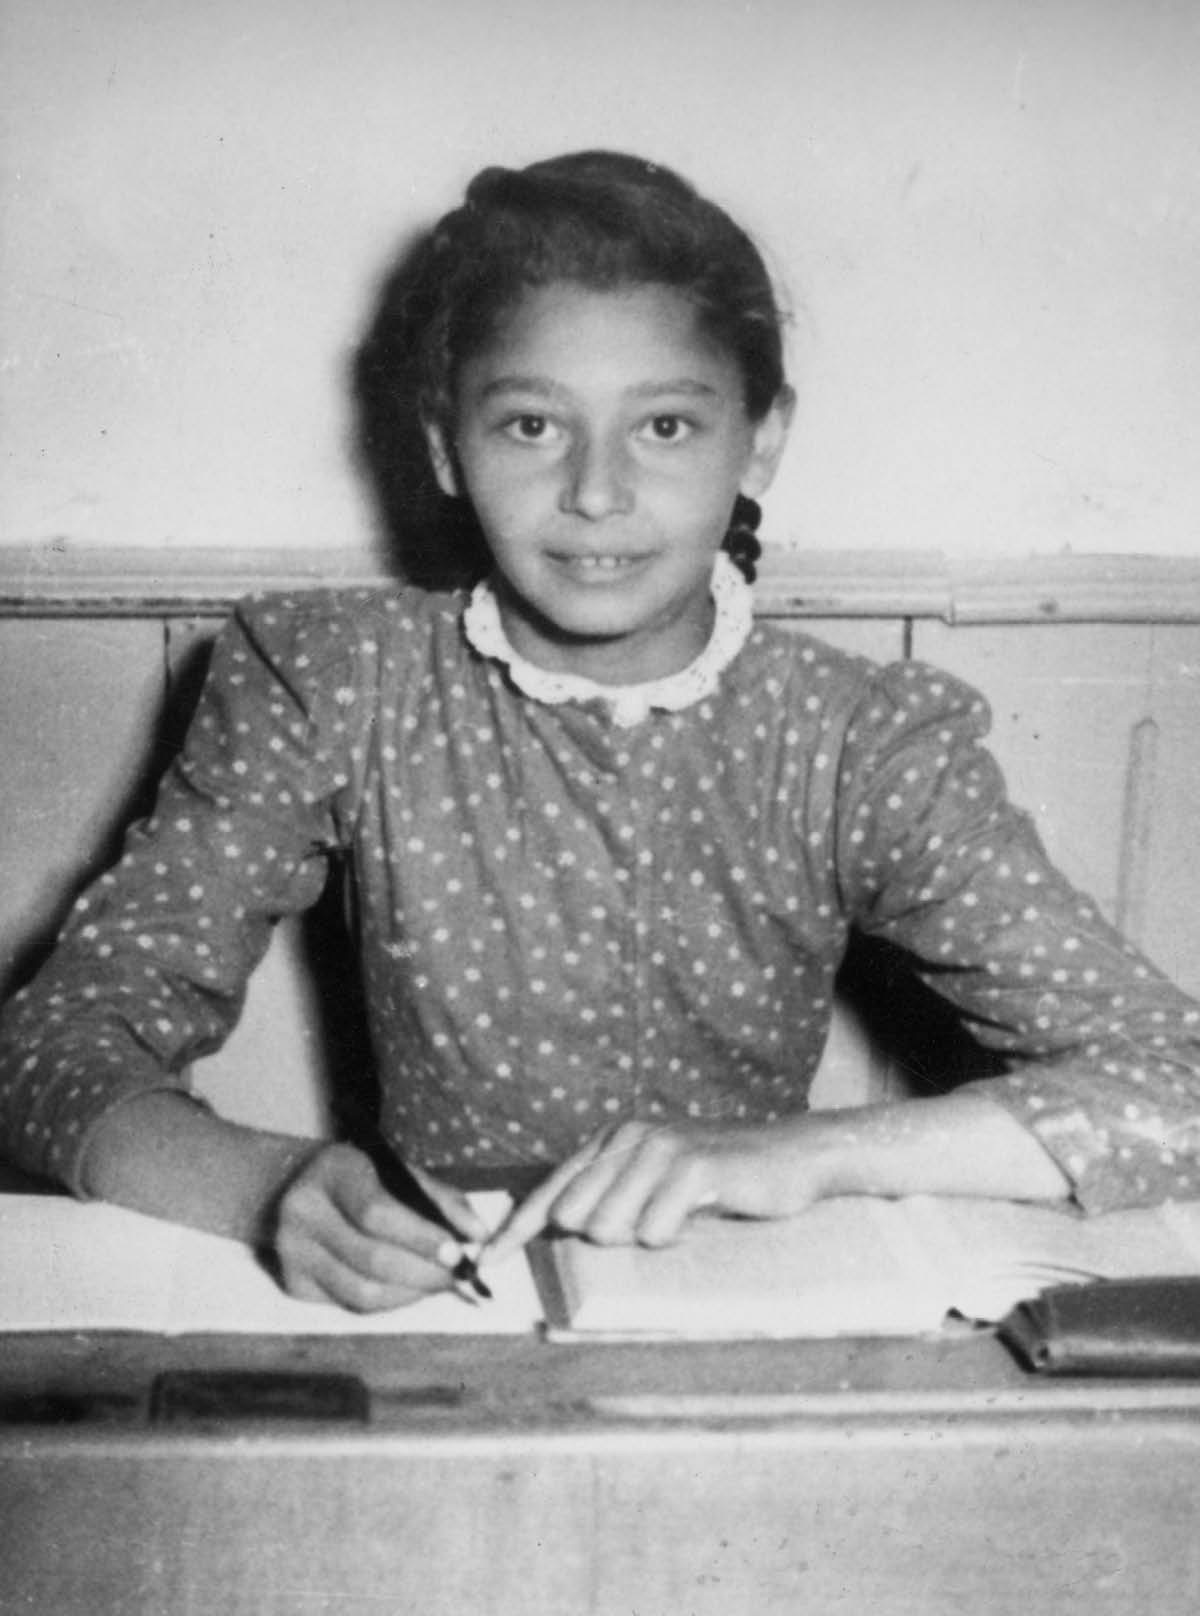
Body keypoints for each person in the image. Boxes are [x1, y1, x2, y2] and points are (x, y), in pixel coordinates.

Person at [1, 151, 1198, 1312]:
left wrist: (806, 1152)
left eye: (666, 427)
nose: (596, 491)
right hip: (441, 1318)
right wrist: (264, 1188)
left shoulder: (856, 740)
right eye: (531, 425)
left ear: (761, 438)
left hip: (736, 1323)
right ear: (442, 444)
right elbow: (49, 1047)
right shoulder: (333, 680)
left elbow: (1177, 1083)